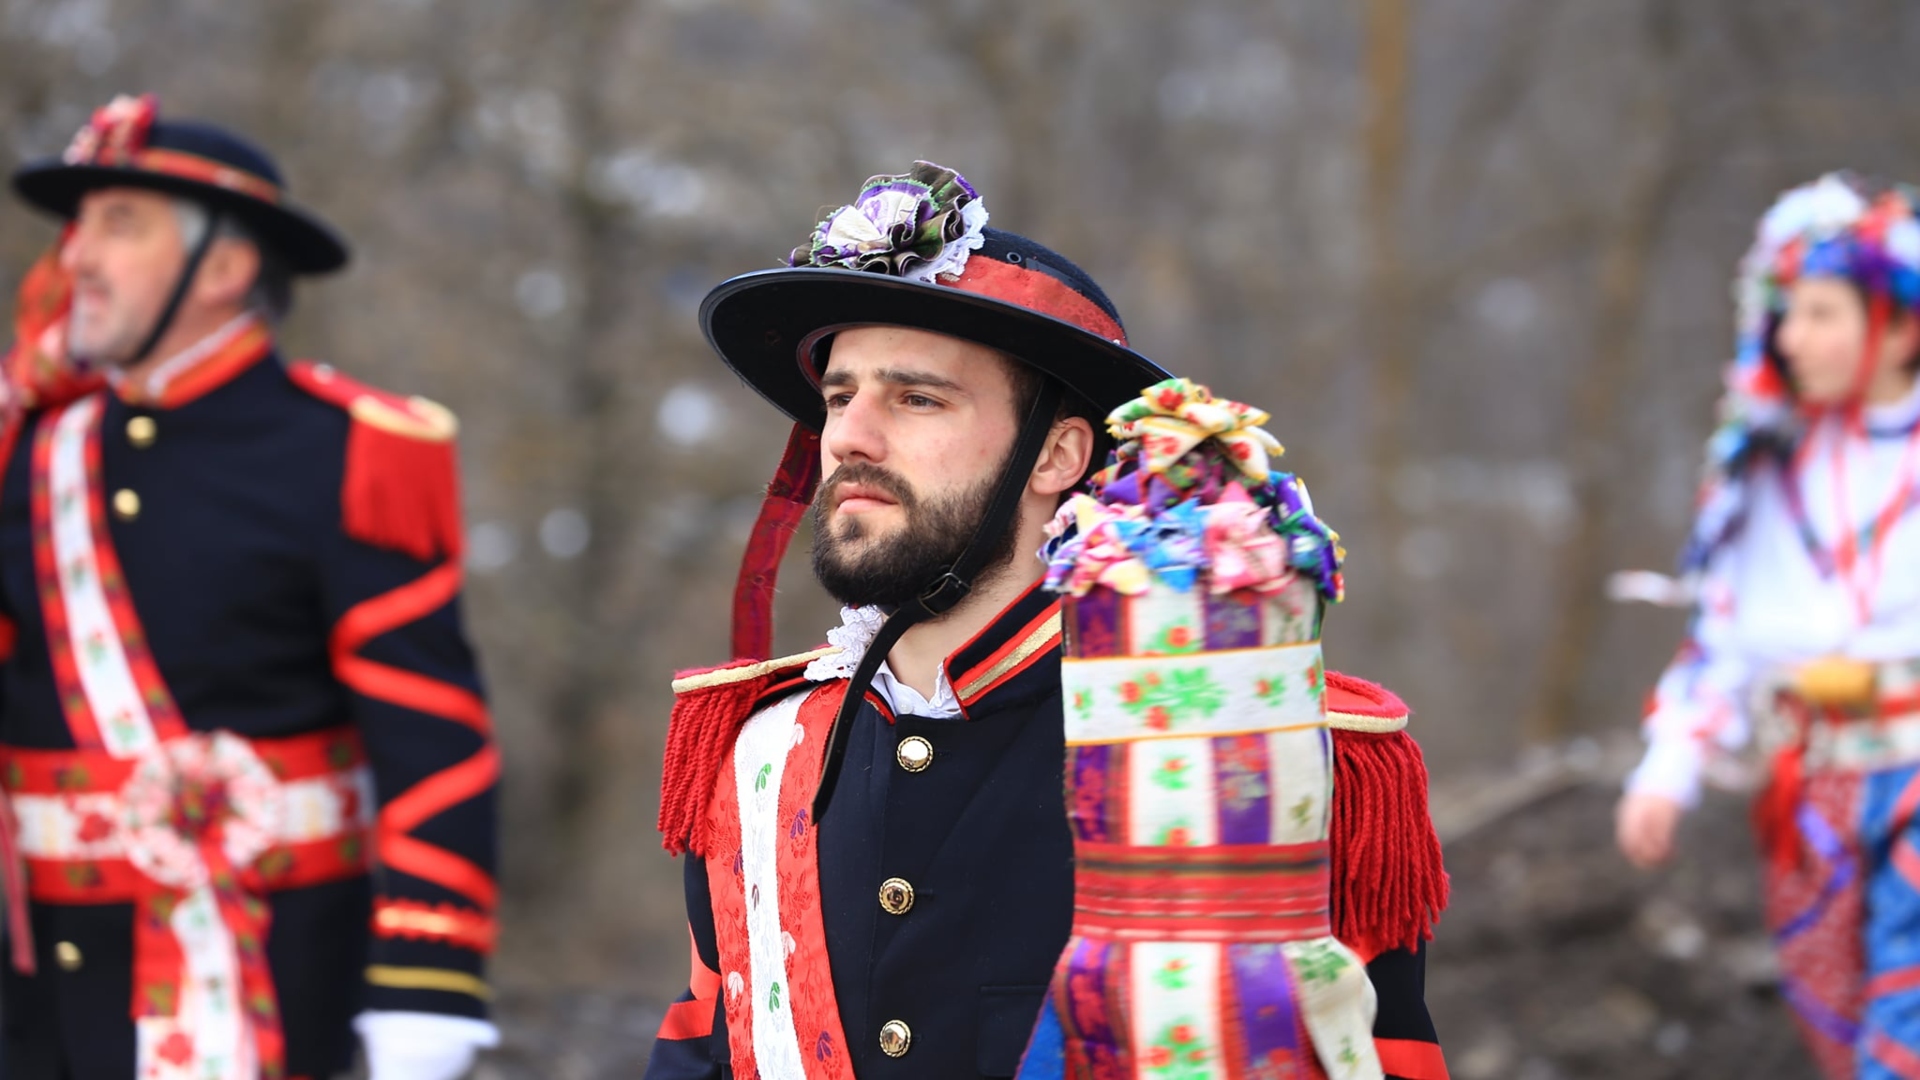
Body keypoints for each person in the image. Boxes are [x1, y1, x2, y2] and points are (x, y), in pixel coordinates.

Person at [646, 161, 1448, 1079]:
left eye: (916, 397)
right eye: (839, 396)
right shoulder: (756, 757)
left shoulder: (1244, 741)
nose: (849, 436)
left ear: (1058, 455)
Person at [0, 94, 500, 1080]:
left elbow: (431, 742)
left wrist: (424, 983)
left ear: (224, 269)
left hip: (267, 977)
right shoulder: (30, 447)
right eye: (80, 226)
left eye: (120, 225)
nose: (76, 260)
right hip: (37, 988)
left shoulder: (345, 451)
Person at [1616, 172, 1920, 1077]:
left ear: (1901, 325)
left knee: (1904, 1025)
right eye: (1787, 314)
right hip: (1806, 786)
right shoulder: (1760, 466)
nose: (1793, 338)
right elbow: (1720, 639)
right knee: (1832, 1016)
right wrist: (1667, 769)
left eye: (1823, 313)